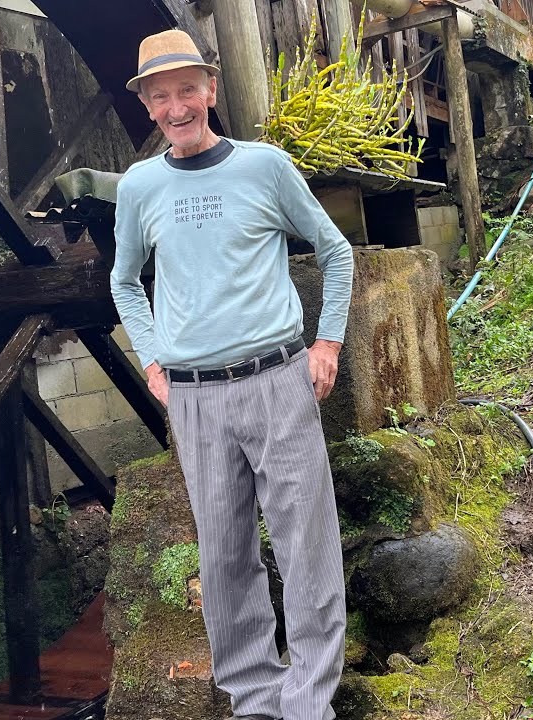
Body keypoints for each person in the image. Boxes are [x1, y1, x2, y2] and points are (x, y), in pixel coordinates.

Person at [109, 28, 355, 720]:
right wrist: (152, 359)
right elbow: (125, 282)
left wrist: (327, 344)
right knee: (223, 559)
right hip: (193, 399)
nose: (177, 106)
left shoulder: (265, 167)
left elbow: (335, 253)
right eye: (161, 95)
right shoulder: (140, 187)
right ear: (149, 107)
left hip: (277, 379)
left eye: (188, 89)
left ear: (211, 90)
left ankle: (308, 705)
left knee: (306, 548)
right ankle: (254, 702)